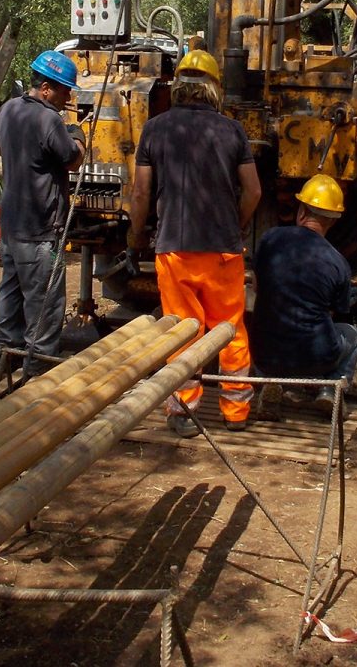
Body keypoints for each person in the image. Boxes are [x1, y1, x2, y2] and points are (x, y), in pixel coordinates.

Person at [128, 48, 262, 436]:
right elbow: (252, 191)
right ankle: (235, 413)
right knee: (231, 329)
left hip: (175, 249)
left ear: (178, 87)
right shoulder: (232, 130)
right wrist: (235, 225)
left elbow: (140, 194)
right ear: (214, 89)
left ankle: (183, 413)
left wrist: (137, 234)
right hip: (222, 250)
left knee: (185, 333)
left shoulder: (155, 128)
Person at [0, 49, 85, 380]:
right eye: (64, 89)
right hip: (41, 226)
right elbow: (72, 160)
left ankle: (2, 353)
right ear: (45, 88)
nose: (68, 96)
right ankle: (38, 365)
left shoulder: (7, 110)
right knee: (44, 301)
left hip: (12, 223)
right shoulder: (48, 119)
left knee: (11, 292)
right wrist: (79, 136)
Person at [250, 174, 357, 408]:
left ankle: (271, 382)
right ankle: (329, 390)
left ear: (301, 211)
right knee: (355, 335)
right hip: (316, 356)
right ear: (333, 221)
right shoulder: (338, 263)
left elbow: (256, 288)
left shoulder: (269, 239)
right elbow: (338, 312)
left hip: (263, 353)